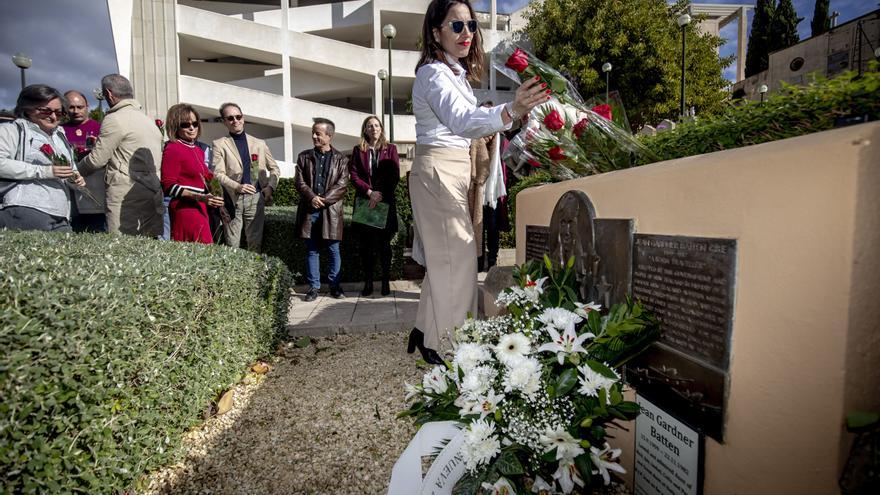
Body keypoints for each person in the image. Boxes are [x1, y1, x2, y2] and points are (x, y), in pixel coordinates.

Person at [408, 0, 548, 363]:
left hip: (448, 169)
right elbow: (462, 120)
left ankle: (425, 332)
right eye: (456, 26)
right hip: (440, 169)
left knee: (446, 259)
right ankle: (454, 353)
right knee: (458, 260)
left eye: (471, 25)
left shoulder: (450, 73)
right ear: (436, 31)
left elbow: (472, 117)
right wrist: (511, 110)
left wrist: (514, 115)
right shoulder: (434, 74)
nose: (466, 33)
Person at [77, 74, 164, 237]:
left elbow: (97, 160)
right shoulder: (148, 121)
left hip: (125, 197)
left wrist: (75, 170)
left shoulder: (114, 119)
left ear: (109, 94)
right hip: (152, 192)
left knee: (123, 250)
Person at [0, 85, 86, 231]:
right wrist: (44, 171)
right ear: (27, 108)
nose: (53, 117)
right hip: (26, 209)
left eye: (59, 113)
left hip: (61, 215)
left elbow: (69, 169)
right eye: (46, 111)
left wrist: (76, 179)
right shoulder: (12, 130)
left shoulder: (60, 135)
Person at [211, 102, 280, 251]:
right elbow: (217, 174)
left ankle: (255, 274)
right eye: (230, 118)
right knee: (232, 245)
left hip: (255, 198)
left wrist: (270, 187)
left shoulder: (260, 143)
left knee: (255, 244)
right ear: (224, 121)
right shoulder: (219, 144)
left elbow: (274, 169)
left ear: (243, 118)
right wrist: (237, 186)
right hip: (232, 199)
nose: (235, 120)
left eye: (238, 116)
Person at [294, 118, 349, 302]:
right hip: (310, 210)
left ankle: (335, 286)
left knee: (334, 250)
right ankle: (314, 287)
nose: (314, 136)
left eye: (318, 133)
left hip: (331, 211)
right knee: (312, 250)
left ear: (329, 136)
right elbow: (299, 182)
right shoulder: (303, 156)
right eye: (313, 132)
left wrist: (323, 200)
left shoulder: (341, 159)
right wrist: (312, 197)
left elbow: (342, 185)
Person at [349, 115, 400, 297]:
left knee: (384, 246)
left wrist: (379, 194)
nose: (374, 129)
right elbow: (354, 175)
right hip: (365, 202)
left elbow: (394, 175)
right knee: (366, 247)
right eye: (370, 126)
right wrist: (370, 192)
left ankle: (385, 281)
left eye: (376, 125)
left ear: (381, 128)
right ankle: (368, 282)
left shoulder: (391, 149)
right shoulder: (358, 150)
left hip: (384, 203)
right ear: (365, 130)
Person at [160, 104, 224, 243]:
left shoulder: (198, 150)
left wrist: (219, 197)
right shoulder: (173, 149)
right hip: (185, 209)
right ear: (175, 126)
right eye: (185, 124)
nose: (192, 128)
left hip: (201, 208)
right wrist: (200, 197)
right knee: (202, 253)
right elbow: (168, 185)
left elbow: (208, 178)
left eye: (195, 123)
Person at [62, 90, 106, 232]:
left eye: (79, 107)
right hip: (70, 197)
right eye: (71, 107)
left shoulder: (100, 129)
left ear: (87, 106)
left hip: (96, 196)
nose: (76, 111)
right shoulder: (60, 131)